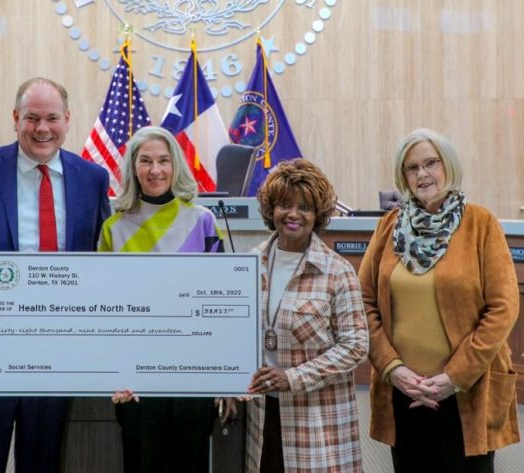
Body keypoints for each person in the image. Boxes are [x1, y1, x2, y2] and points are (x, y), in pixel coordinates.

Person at [0, 77, 110, 473]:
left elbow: (104, 258)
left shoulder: (92, 178)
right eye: (32, 118)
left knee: (42, 463)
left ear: (68, 119)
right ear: (15, 119)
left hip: (56, 354)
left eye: (52, 118)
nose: (42, 128)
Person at [358, 128, 520, 473]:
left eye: (431, 163)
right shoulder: (388, 227)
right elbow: (364, 303)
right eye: (412, 167)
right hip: (403, 391)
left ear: (448, 165)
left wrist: (454, 376)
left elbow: (503, 307)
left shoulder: (481, 224)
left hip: (466, 391)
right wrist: (393, 369)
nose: (422, 174)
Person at [100, 125, 233, 473]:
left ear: (176, 165)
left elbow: (222, 306)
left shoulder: (203, 221)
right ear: (133, 168)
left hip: (193, 373)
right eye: (145, 161)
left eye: (163, 160)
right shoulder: (113, 228)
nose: (155, 170)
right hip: (136, 379)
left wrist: (226, 377)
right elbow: (104, 309)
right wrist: (113, 372)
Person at [246, 159, 368, 473]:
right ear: (271, 209)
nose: (293, 214)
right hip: (260, 414)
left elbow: (355, 346)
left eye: (305, 207)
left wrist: (292, 377)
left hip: (316, 419)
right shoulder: (249, 264)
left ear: (318, 215)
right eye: (284, 205)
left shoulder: (337, 271)